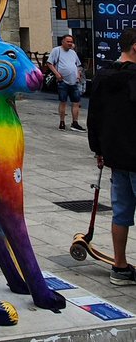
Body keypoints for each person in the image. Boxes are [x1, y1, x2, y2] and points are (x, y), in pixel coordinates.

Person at [87, 27, 136, 285]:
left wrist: (98, 150)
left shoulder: (103, 76)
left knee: (121, 213)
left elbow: (93, 116)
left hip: (116, 157)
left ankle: (119, 267)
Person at [46, 34, 84, 131]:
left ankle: (75, 123)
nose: (70, 43)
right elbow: (49, 63)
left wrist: (78, 74)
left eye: (71, 42)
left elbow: (78, 65)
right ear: (63, 42)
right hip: (62, 81)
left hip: (74, 81)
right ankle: (62, 122)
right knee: (63, 102)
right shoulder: (56, 50)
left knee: (76, 102)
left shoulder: (73, 53)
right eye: (68, 41)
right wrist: (57, 74)